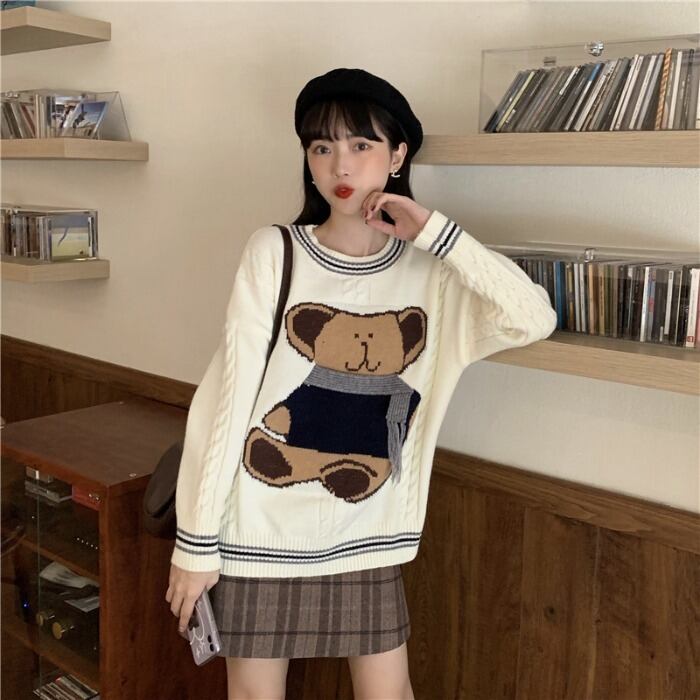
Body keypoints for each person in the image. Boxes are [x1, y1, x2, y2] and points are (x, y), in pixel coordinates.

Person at [165, 67, 558, 700]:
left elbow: (533, 318)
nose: (339, 165)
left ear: (398, 156)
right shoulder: (274, 252)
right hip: (260, 530)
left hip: (367, 537)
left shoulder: (432, 275)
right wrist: (196, 545)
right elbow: (226, 401)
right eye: (321, 146)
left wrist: (435, 232)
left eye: (361, 144)